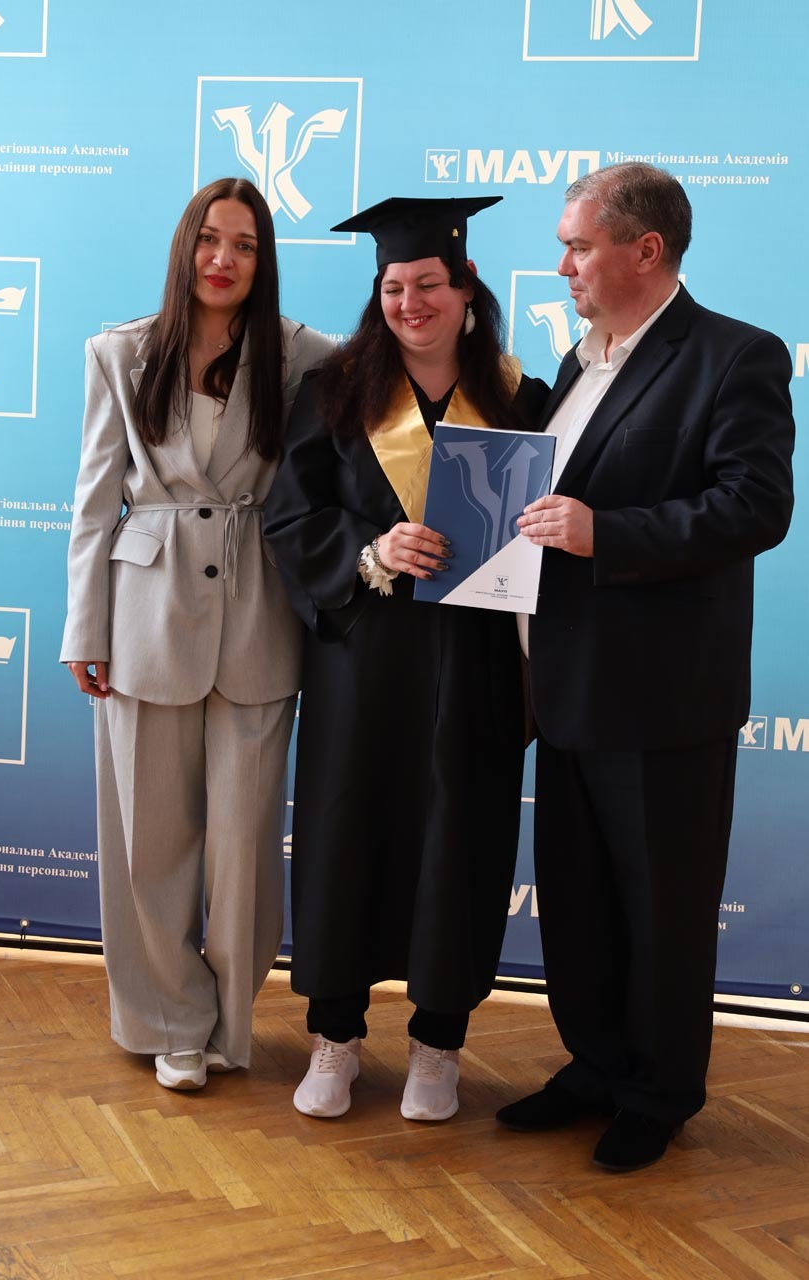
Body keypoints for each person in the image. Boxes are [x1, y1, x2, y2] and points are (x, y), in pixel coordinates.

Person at [496, 162, 795, 1170]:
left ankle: (658, 1092)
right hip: (565, 686)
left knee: (662, 910)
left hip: (663, 699)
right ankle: (595, 1065)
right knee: (579, 902)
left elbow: (753, 507)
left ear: (644, 249)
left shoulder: (735, 355)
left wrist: (605, 533)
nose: (562, 265)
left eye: (577, 246)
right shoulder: (576, 361)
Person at [264, 196, 548, 1122]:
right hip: (365, 659)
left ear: (466, 288)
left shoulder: (520, 397)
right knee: (347, 835)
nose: (410, 303)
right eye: (393, 287)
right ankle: (334, 1036)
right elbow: (290, 517)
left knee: (459, 842)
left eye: (428, 284)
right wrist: (372, 549)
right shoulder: (337, 391)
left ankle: (437, 1045)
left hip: (475, 660)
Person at [60, 177, 333, 1090]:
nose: (224, 259)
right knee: (149, 839)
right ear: (185, 246)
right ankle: (168, 1019)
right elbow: (94, 500)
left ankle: (230, 1022)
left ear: (265, 261)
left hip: (259, 612)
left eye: (245, 245)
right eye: (210, 239)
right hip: (144, 612)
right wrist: (84, 627)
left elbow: (390, 391)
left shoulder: (303, 356)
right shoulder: (120, 352)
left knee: (244, 845)